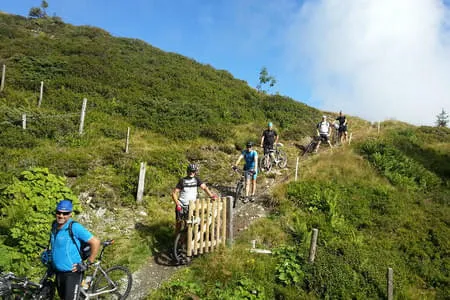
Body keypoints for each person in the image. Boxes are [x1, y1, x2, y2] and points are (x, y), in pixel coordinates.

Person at [50, 200, 100, 300]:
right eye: (59, 212)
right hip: (58, 272)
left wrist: (88, 263)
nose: (61, 215)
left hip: (72, 273)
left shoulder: (74, 227)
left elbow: (96, 242)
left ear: (70, 214)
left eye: (65, 213)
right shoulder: (54, 226)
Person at [172, 164, 217, 234]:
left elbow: (204, 188)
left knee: (189, 224)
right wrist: (177, 204)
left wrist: (211, 196)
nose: (191, 173)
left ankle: (185, 240)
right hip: (181, 205)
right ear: (187, 171)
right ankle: (175, 239)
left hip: (190, 206)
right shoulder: (182, 181)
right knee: (179, 224)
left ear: (195, 172)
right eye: (190, 171)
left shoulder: (197, 180)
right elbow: (174, 193)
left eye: (193, 171)